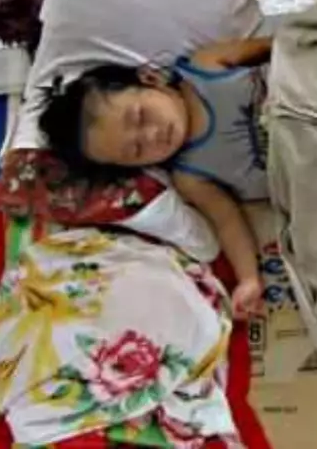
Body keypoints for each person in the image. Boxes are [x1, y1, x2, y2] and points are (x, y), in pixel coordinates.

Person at [37, 36, 274, 318]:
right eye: (137, 150)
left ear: (149, 78)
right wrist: (248, 279)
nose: (152, 135)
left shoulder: (205, 66)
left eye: (140, 117)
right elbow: (228, 222)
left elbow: (275, 44)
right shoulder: (191, 178)